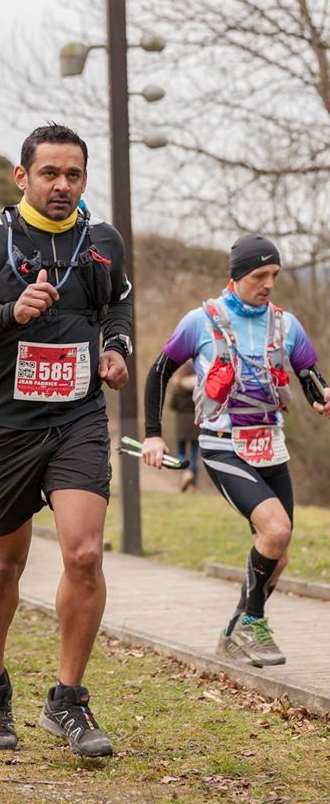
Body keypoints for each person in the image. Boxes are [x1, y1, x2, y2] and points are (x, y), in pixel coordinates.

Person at [0, 122, 133, 757]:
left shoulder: (101, 242)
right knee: (5, 564)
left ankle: (68, 699)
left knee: (84, 555)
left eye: (73, 174)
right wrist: (7, 315)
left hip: (77, 416)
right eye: (50, 173)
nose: (62, 185)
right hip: (8, 424)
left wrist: (119, 349)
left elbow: (119, 307)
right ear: (23, 177)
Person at [142, 233, 330, 667]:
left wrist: (320, 396)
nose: (268, 283)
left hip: (272, 446)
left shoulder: (286, 324)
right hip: (224, 446)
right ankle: (254, 623)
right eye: (259, 275)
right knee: (276, 530)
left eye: (275, 275)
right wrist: (153, 434)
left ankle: (235, 631)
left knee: (277, 555)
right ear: (238, 275)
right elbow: (158, 373)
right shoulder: (202, 321)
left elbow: (308, 373)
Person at [168, 361, 199, 491]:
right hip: (195, 425)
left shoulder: (177, 388)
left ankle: (185, 473)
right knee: (194, 455)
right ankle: (192, 482)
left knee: (181, 454)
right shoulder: (197, 387)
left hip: (181, 426)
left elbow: (172, 406)